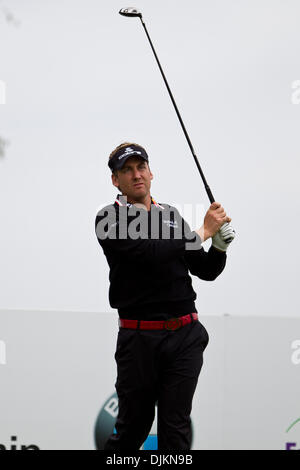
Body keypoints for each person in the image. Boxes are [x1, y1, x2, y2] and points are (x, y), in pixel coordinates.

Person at [95, 142, 235, 450]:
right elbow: (149, 253)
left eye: (140, 167)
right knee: (133, 430)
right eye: (126, 170)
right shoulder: (108, 218)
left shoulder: (170, 215)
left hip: (185, 335)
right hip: (138, 339)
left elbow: (205, 269)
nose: (136, 175)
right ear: (115, 180)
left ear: (151, 172)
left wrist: (220, 246)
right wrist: (201, 232)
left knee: (175, 430)